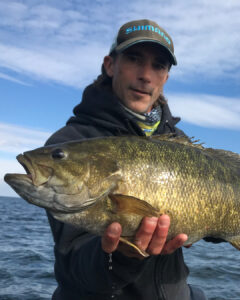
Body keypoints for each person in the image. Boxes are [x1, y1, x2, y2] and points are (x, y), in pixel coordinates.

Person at [45, 19, 207, 300]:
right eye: (134, 58)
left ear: (166, 78)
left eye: (158, 66)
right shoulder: (69, 145)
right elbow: (75, 265)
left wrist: (211, 221)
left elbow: (218, 206)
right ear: (110, 65)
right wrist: (120, 255)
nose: (146, 75)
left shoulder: (178, 141)